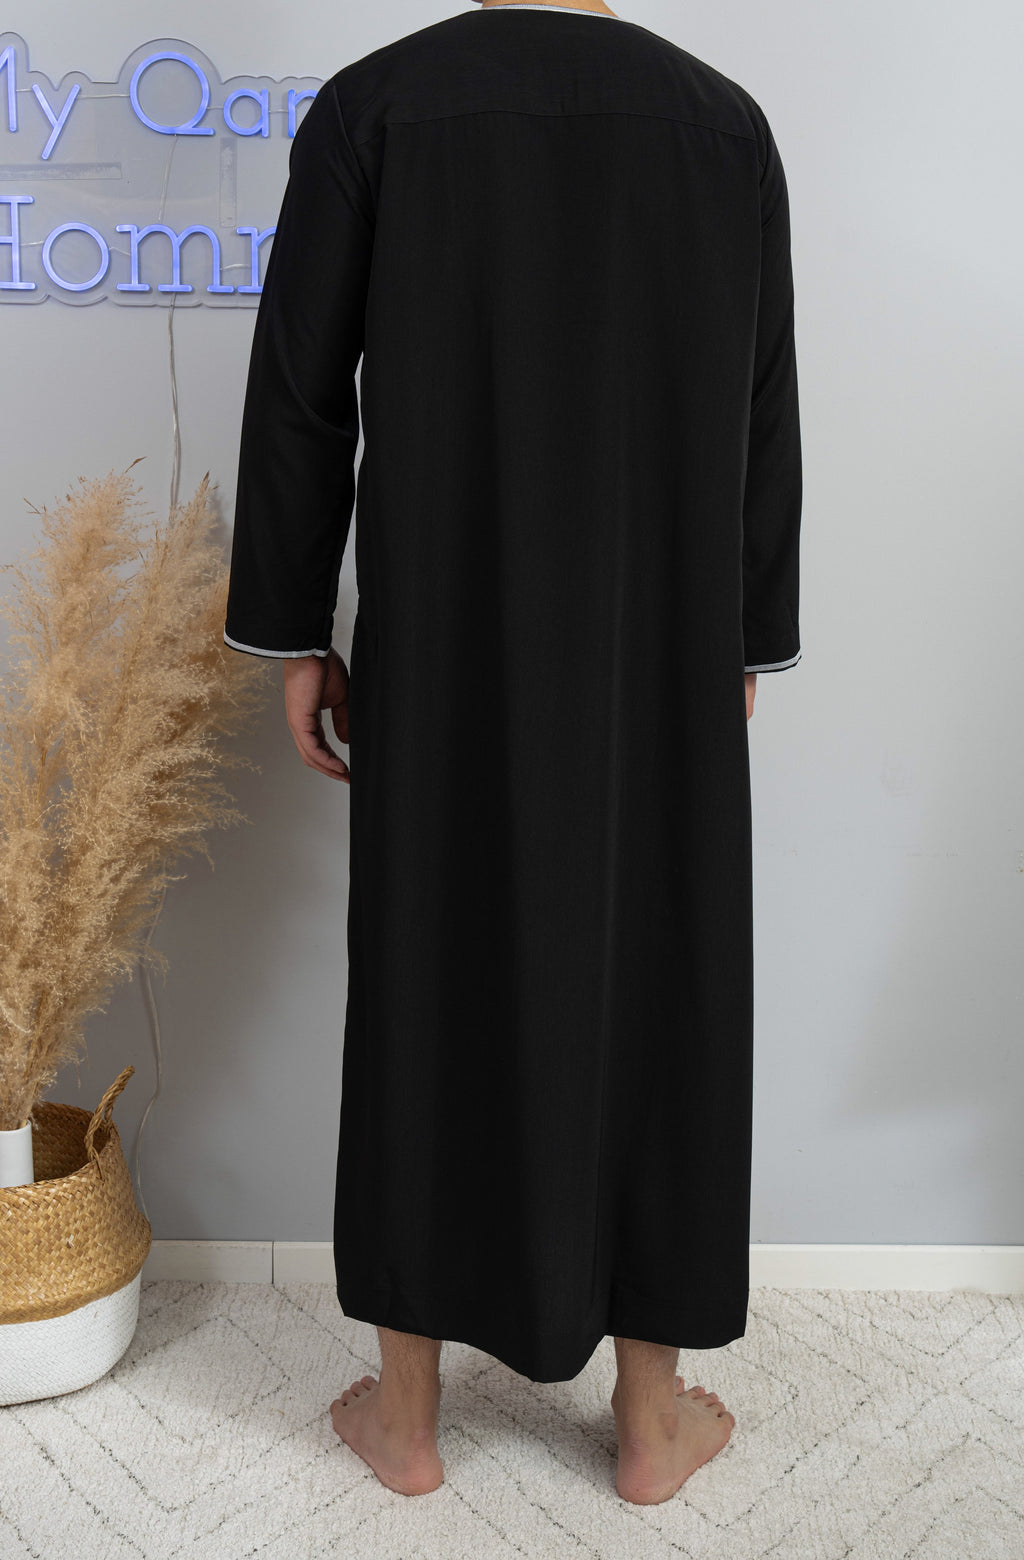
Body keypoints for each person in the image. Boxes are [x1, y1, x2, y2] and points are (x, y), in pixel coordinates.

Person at [224, 0, 802, 1506]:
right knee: (663, 973)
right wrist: (743, 640)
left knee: (428, 972)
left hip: (443, 637)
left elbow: (300, 394)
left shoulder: (376, 108)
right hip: (660, 639)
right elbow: (760, 408)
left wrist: (293, 629)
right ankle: (653, 1420)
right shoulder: (721, 124)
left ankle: (408, 1415)